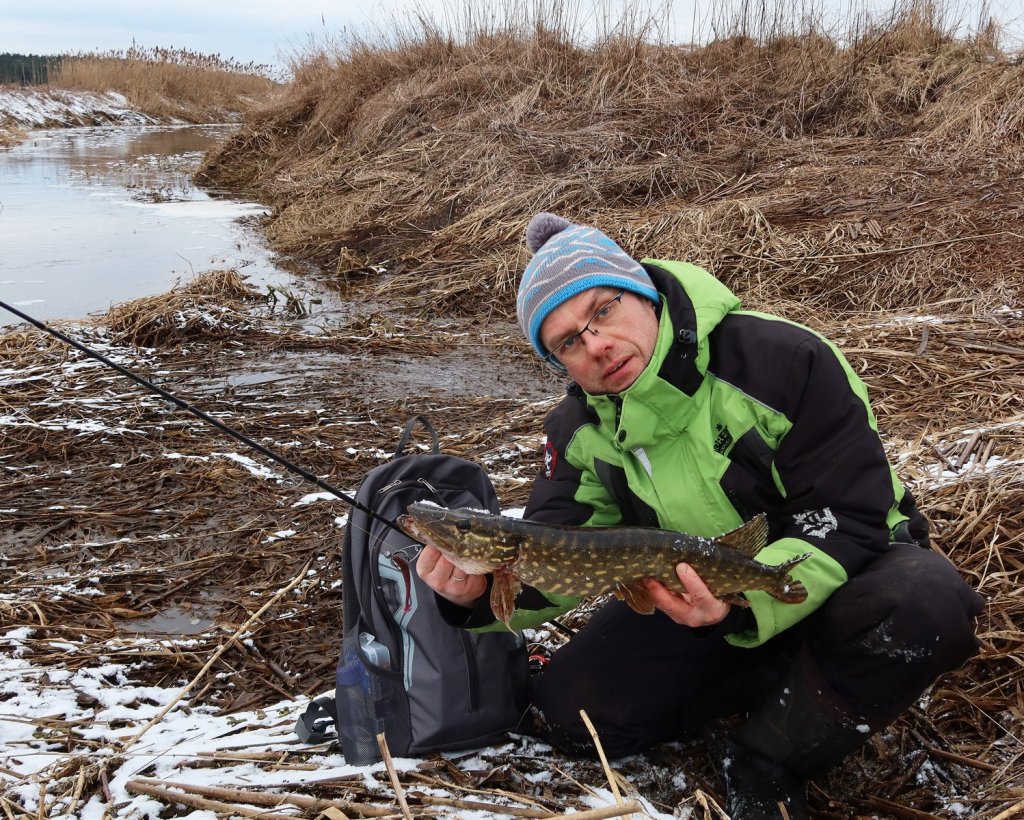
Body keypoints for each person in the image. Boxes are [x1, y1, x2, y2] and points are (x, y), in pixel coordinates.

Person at [416, 212, 984, 819]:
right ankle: (778, 676)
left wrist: (750, 596)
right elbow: (560, 547)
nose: (597, 345)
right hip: (693, 598)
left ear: (643, 293)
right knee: (571, 714)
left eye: (602, 312)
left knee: (927, 602)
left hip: (839, 567)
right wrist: (471, 596)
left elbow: (848, 511)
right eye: (568, 343)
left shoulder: (781, 360)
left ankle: (772, 752)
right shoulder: (579, 430)